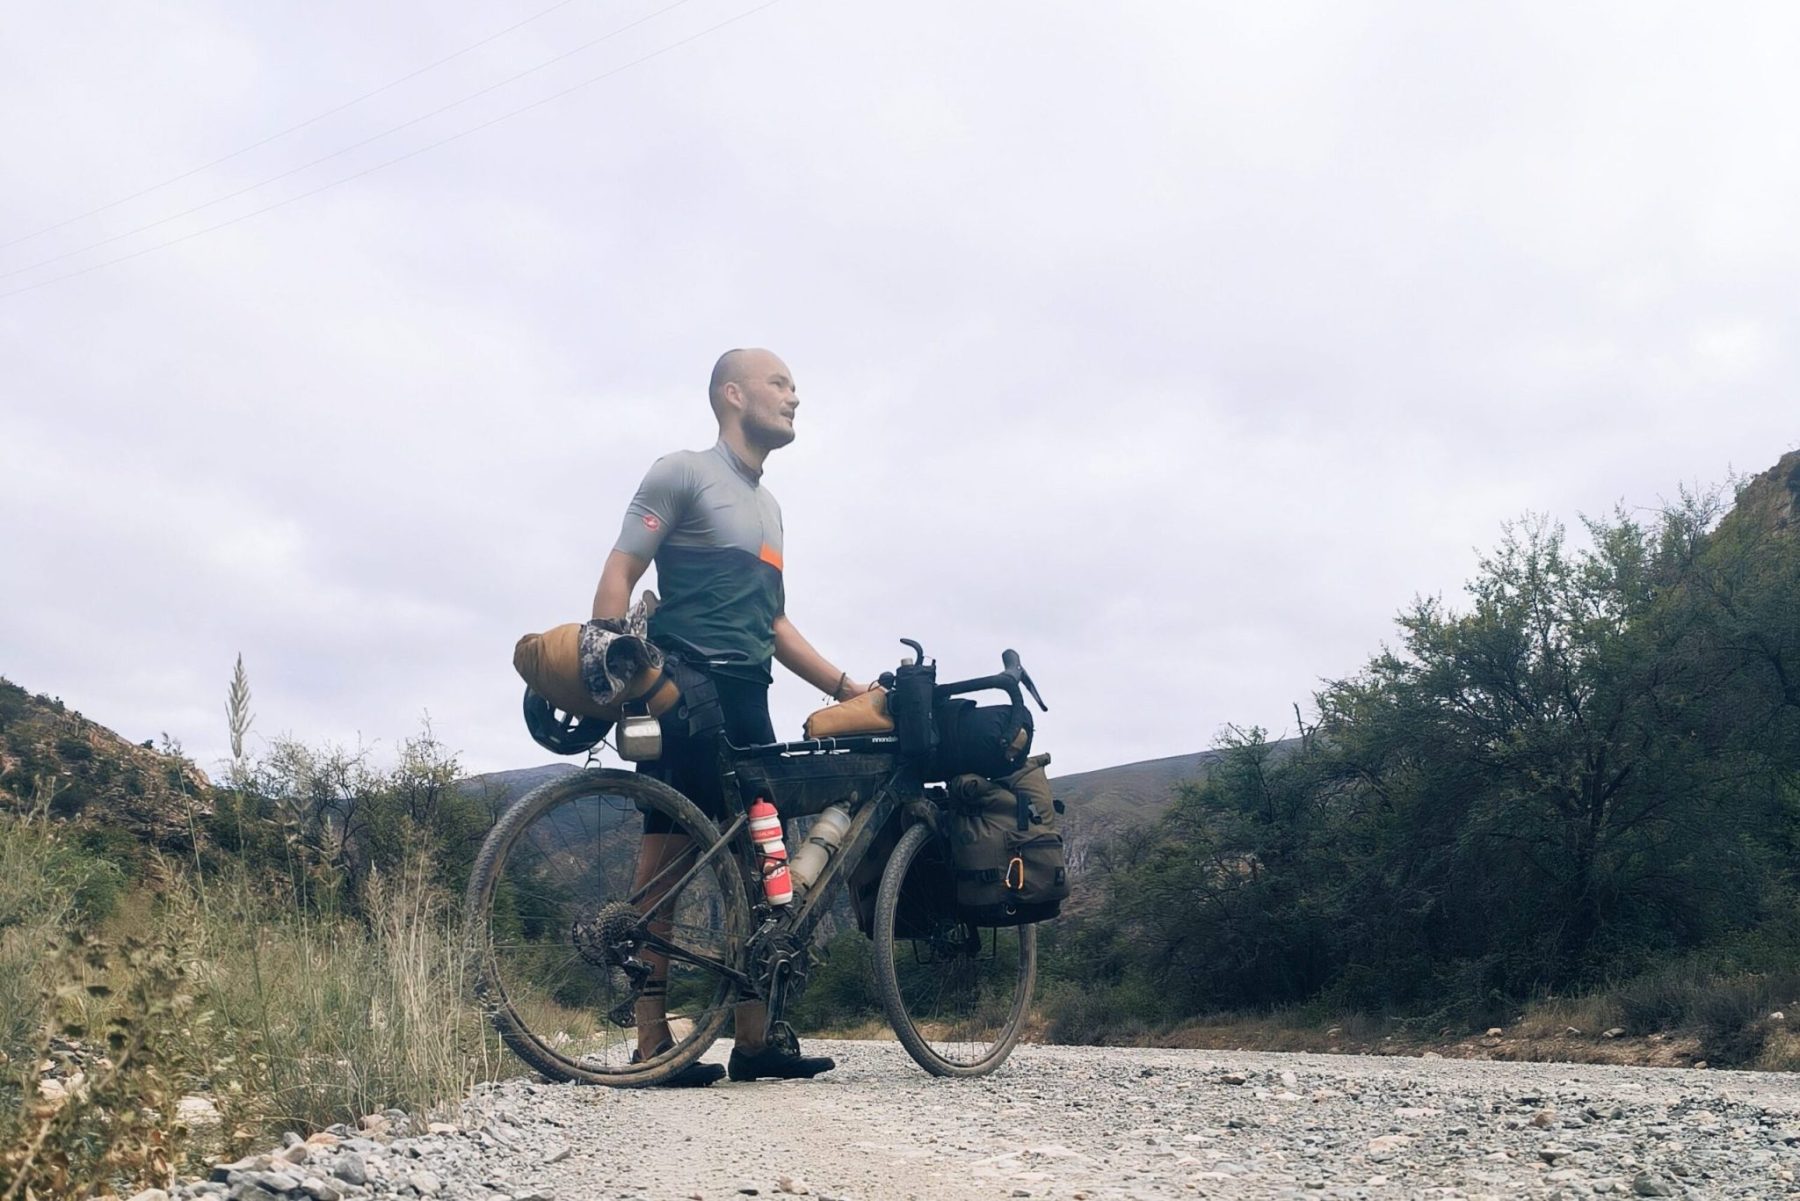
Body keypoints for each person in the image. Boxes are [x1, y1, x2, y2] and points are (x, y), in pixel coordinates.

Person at [591, 348, 869, 1086]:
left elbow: (774, 622)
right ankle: (652, 1043)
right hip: (682, 684)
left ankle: (757, 1039)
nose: (794, 396)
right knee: (668, 865)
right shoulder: (681, 471)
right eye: (781, 383)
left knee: (759, 865)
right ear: (732, 393)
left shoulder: (770, 507)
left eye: (795, 384)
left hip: (750, 695)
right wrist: (618, 671)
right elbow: (621, 569)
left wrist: (848, 686)